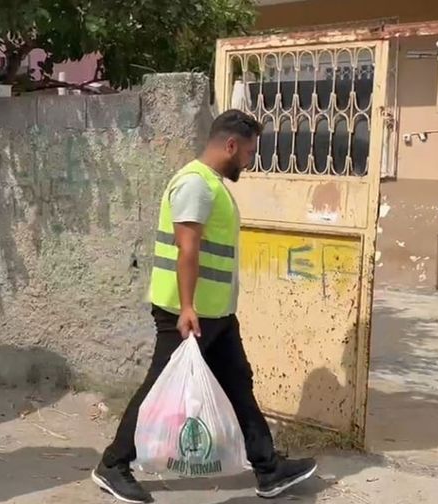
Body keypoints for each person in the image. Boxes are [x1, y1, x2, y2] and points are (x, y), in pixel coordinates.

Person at [91, 110, 318, 503]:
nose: (249, 160)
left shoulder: (211, 184)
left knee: (238, 383)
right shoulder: (195, 184)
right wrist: (188, 307)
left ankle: (268, 469)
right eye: (248, 152)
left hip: (216, 314)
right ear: (230, 145)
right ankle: (113, 464)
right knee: (157, 389)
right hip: (189, 314)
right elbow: (188, 248)